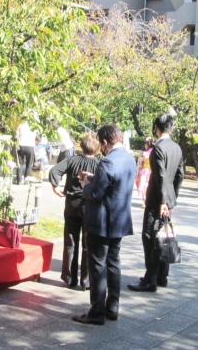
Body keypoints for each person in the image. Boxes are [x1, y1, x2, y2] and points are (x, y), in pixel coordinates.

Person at [72, 124, 136, 325]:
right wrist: (94, 178)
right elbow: (114, 184)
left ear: (106, 142)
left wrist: (85, 184)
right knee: (113, 263)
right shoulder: (129, 159)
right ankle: (112, 306)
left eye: (101, 144)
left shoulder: (108, 162)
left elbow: (94, 194)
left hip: (101, 222)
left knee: (98, 265)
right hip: (119, 221)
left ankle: (97, 311)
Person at [128, 114, 184, 293]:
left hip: (156, 201)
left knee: (151, 237)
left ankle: (150, 279)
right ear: (172, 128)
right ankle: (162, 276)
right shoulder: (177, 148)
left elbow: (159, 176)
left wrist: (162, 201)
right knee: (163, 236)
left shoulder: (158, 148)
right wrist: (172, 198)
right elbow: (180, 175)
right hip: (167, 201)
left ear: (156, 128)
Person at [49, 133, 100, 290]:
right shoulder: (99, 164)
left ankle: (69, 277)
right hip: (89, 205)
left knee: (70, 240)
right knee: (88, 243)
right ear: (98, 148)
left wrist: (55, 187)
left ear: (81, 145)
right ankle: (86, 280)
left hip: (71, 203)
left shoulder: (72, 160)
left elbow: (54, 171)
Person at [135, 138, 154, 205]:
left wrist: (138, 170)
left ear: (147, 144)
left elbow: (139, 163)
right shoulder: (155, 152)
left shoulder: (143, 153)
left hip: (145, 171)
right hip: (152, 171)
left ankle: (145, 201)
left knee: (144, 186)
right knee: (151, 185)